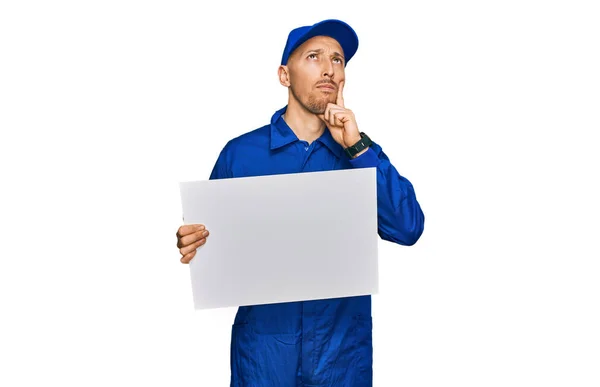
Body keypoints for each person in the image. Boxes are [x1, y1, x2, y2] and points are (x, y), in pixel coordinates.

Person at [176, 19, 425, 387]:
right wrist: (191, 241)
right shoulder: (241, 155)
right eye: (314, 57)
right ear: (284, 75)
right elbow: (212, 252)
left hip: (341, 360)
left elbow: (408, 228)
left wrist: (357, 148)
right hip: (264, 359)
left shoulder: (361, 152)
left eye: (338, 60)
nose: (328, 68)